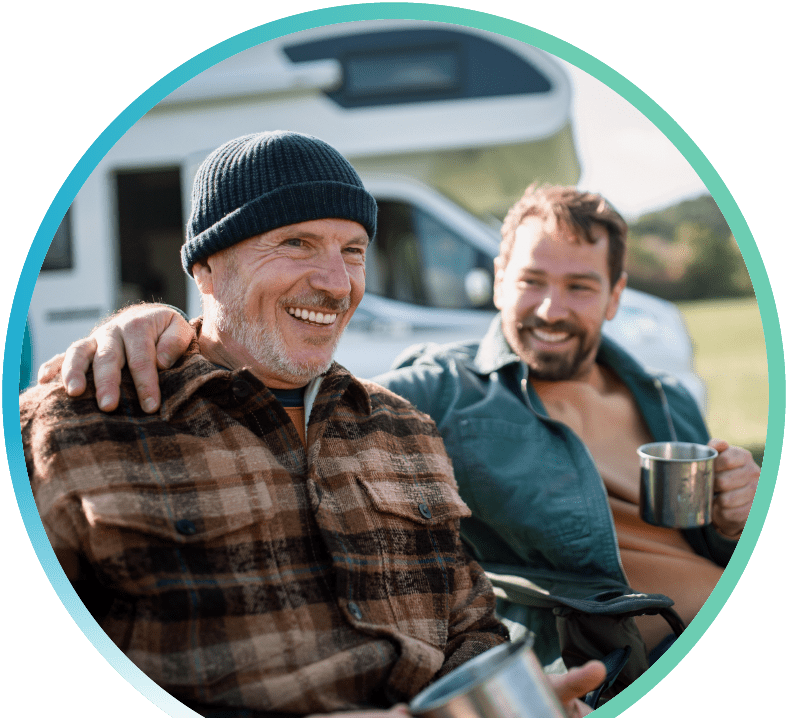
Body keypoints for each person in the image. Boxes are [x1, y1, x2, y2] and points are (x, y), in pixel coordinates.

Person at [23, 133, 605, 717]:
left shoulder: (403, 430)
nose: (335, 282)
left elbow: (469, 631)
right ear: (204, 267)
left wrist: (511, 703)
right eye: (296, 243)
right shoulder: (74, 430)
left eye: (353, 250)